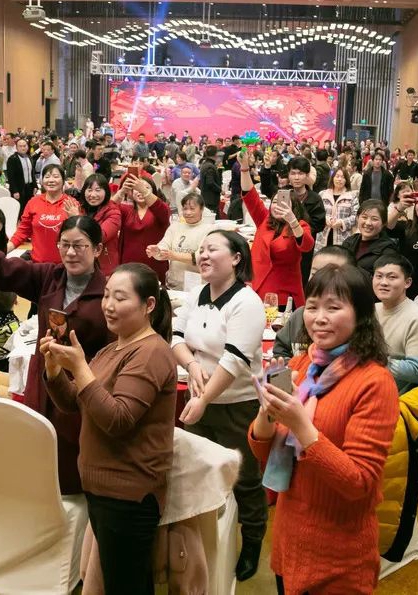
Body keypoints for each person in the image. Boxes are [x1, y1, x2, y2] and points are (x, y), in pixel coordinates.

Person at [0, 212, 113, 496]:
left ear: (98, 249)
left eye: (79, 246)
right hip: (42, 383)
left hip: (81, 391)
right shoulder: (49, 277)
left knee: (71, 465)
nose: (70, 252)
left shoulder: (108, 293)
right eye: (65, 244)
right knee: (36, 452)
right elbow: (2, 267)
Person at [249, 263, 399, 594]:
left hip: (338, 553)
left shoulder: (375, 382)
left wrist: (300, 424)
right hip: (290, 538)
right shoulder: (303, 364)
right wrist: (267, 411)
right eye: (313, 306)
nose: (319, 318)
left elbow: (360, 482)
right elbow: (263, 452)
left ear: (361, 315)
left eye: (333, 308)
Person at [41, 263, 177, 594]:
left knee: (125, 585)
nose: (109, 306)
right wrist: (55, 369)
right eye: (106, 296)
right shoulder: (114, 347)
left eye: (120, 297)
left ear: (148, 305)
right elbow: (74, 402)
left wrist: (80, 367)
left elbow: (117, 419)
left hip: (128, 493)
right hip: (104, 488)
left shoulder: (151, 353)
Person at [172, 230, 267, 580]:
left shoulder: (247, 302)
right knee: (197, 470)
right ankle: (204, 537)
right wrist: (191, 365)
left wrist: (204, 398)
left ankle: (252, 540)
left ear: (236, 258)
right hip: (199, 397)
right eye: (201, 249)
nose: (203, 255)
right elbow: (176, 337)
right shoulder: (198, 293)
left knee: (243, 477)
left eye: (212, 249)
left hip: (237, 405)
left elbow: (235, 360)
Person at [240, 149, 313, 309]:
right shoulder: (265, 220)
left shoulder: (300, 226)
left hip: (283, 295)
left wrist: (292, 220)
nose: (278, 206)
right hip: (256, 288)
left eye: (284, 203)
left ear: (293, 208)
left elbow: (307, 245)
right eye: (275, 202)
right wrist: (244, 168)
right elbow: (249, 194)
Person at [272, 246, 355, 360]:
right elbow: (281, 350)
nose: (320, 279)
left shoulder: (355, 321)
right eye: (315, 273)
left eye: (331, 274)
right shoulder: (300, 315)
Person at [372, 254, 418, 392]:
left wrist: (373, 360)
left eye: (392, 277)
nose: (383, 282)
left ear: (407, 282)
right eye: (379, 276)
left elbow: (416, 370)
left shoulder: (417, 318)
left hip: (391, 392)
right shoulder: (372, 310)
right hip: (367, 382)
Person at [8, 165, 78, 264]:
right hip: (38, 264)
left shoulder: (71, 203)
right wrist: (5, 249)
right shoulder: (33, 202)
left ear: (63, 181)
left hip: (65, 265)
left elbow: (81, 235)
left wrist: (76, 218)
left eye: (56, 176)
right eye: (47, 176)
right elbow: (22, 231)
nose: (51, 180)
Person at [148, 192, 214, 291]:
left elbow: (200, 258)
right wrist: (157, 251)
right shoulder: (175, 226)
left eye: (192, 209)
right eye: (185, 209)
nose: (187, 212)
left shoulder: (209, 230)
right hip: (174, 282)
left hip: (197, 284)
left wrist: (173, 255)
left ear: (201, 209)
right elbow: (164, 245)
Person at [116, 174, 171, 283]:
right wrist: (122, 191)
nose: (140, 191)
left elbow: (164, 211)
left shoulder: (160, 210)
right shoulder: (126, 210)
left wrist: (143, 190)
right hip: (128, 265)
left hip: (153, 264)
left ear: (153, 192)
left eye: (146, 188)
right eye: (136, 188)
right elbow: (109, 207)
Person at [286, 156, 326, 282]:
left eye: (300, 173)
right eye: (293, 173)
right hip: (284, 245)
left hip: (304, 248)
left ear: (307, 175)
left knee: (301, 279)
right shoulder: (283, 195)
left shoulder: (315, 198)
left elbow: (319, 224)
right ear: (288, 175)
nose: (296, 177)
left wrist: (300, 229)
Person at [341, 199, 397, 279]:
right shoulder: (349, 242)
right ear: (357, 218)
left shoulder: (388, 250)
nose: (368, 223)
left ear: (383, 223)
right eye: (364, 217)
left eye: (374, 219)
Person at [78, 173, 121, 275]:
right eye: (89, 190)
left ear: (106, 192)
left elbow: (100, 236)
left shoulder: (114, 212)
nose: (93, 195)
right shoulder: (79, 208)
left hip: (104, 267)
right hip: (80, 263)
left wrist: (77, 219)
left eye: (98, 190)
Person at [318, 168, 358, 252]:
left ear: (346, 180)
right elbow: (317, 213)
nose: (339, 179)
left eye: (343, 177)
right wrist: (325, 219)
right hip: (323, 236)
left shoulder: (352, 196)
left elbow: (356, 216)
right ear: (332, 178)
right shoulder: (323, 194)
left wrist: (342, 222)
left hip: (343, 237)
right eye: (337, 176)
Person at [6, 138, 36, 212]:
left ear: (27, 147)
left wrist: (35, 186)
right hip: (19, 189)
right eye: (20, 146)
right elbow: (11, 177)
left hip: (30, 187)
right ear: (16, 148)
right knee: (20, 210)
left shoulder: (29, 157)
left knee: (29, 208)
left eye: (24, 146)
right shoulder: (12, 159)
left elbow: (32, 173)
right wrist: (15, 191)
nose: (23, 148)